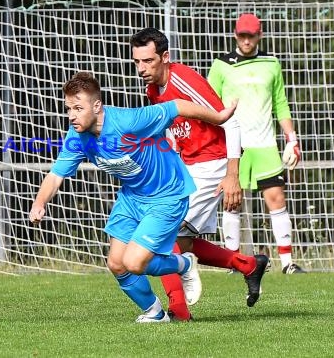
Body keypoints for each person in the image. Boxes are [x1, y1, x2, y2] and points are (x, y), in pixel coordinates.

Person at [29, 71, 242, 323]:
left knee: (134, 262)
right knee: (117, 263)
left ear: (97, 106)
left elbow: (176, 106)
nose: (72, 115)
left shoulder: (129, 121)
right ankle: (154, 312)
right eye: (68, 109)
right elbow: (55, 175)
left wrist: (219, 117)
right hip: (132, 198)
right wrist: (40, 202)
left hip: (167, 195)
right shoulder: (77, 136)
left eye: (78, 107)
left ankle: (184, 264)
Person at [130, 27, 270, 320]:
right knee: (181, 243)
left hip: (213, 163)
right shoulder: (153, 89)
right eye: (137, 62)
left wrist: (232, 175)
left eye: (148, 61)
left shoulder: (184, 79)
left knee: (162, 235)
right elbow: (172, 130)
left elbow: (229, 123)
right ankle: (248, 264)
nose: (142, 69)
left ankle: (178, 312)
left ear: (165, 57)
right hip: (189, 165)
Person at [207, 13, 306, 274]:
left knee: (276, 198)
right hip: (233, 145)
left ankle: (287, 264)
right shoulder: (220, 65)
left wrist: (292, 139)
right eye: (242, 35)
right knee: (232, 201)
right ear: (235, 35)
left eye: (251, 35)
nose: (246, 40)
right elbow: (209, 105)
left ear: (259, 35)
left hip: (264, 144)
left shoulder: (271, 63)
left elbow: (280, 104)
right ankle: (233, 262)